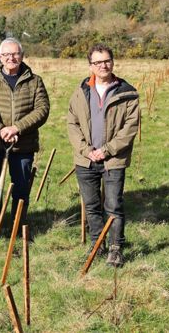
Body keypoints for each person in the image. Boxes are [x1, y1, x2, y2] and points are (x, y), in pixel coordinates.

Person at [67, 44, 139, 267]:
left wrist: (106, 150)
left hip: (113, 160)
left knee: (114, 205)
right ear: (91, 66)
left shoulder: (127, 92)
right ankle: (98, 244)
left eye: (106, 60)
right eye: (97, 62)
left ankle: (116, 248)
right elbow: (72, 122)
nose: (103, 65)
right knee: (91, 206)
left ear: (113, 62)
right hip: (85, 160)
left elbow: (130, 127)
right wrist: (86, 150)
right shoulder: (81, 91)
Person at [0, 38, 49, 237]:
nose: (11, 58)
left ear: (22, 56)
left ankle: (18, 228)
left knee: (21, 187)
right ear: (0, 57)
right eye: (6, 55)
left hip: (23, 146)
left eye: (15, 54)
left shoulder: (35, 81)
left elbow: (42, 110)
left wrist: (17, 128)